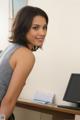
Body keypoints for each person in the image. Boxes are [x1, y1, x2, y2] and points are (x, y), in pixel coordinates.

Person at [0, 5, 48, 120]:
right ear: (23, 28)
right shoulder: (26, 55)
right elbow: (9, 100)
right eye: (35, 28)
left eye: (44, 27)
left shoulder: (10, 48)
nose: (42, 33)